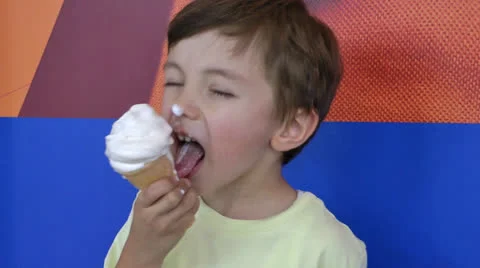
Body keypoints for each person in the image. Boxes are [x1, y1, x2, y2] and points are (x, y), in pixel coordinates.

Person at [104, 0, 366, 267]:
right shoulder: (154, 219)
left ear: (290, 126)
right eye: (174, 82)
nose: (179, 105)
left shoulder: (325, 248)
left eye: (219, 90)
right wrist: (142, 253)